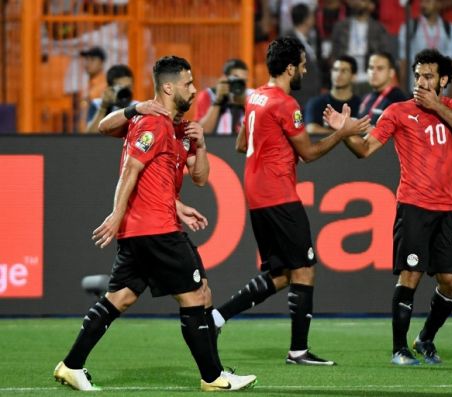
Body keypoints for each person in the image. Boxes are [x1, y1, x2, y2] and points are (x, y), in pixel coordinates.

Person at [53, 56, 256, 392]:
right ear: (168, 86)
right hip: (156, 230)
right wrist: (116, 215)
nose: (193, 89)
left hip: (145, 229)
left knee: (120, 298)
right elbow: (129, 169)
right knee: (197, 295)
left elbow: (200, 178)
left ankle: (71, 365)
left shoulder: (177, 128)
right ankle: (213, 376)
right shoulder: (153, 123)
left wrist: (200, 147)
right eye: (188, 83)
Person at [211, 36, 370, 366]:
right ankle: (298, 351)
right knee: (306, 269)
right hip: (278, 195)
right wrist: (343, 131)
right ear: (289, 68)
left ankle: (215, 319)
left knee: (284, 274)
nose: (305, 69)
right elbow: (309, 153)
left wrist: (280, 152)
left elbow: (243, 145)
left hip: (257, 195)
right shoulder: (285, 104)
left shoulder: (255, 96)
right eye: (301, 64)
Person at [324, 48, 452, 365]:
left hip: (449, 210)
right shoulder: (397, 111)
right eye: (418, 75)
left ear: (443, 80)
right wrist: (344, 132)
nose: (421, 82)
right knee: (411, 274)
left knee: (450, 282)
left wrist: (437, 106)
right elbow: (365, 150)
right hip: (414, 206)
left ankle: (425, 339)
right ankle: (399, 349)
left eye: (428, 76)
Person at [330, 0, 394, 95]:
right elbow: (334, 55)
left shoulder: (379, 29)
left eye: (363, 1)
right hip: (345, 78)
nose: (358, 2)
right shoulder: (340, 27)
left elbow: (385, 56)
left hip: (368, 80)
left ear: (371, 6)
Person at [398, 0, 452, 93]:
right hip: (415, 90)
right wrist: (402, 93)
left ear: (439, 4)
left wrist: (451, 94)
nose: (423, 4)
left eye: (428, 1)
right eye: (422, 1)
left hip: (440, 92)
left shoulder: (450, 29)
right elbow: (403, 62)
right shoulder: (410, 27)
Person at [305, 55, 362, 134]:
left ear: (353, 76)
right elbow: (311, 129)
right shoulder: (316, 103)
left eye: (344, 71)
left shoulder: (361, 105)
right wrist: (344, 133)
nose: (338, 74)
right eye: (335, 70)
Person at [194, 59, 252, 135]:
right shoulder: (208, 95)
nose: (239, 85)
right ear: (225, 78)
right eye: (236, 79)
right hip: (215, 144)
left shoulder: (250, 96)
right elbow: (202, 132)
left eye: (243, 81)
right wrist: (217, 101)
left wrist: (245, 105)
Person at [283, 3, 322, 109]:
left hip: (311, 98)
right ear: (306, 19)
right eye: (311, 15)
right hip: (298, 99)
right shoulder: (288, 40)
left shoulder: (308, 39)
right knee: (297, 125)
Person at [358, 52, 408, 129]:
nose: (373, 72)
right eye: (371, 68)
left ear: (391, 73)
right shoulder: (366, 97)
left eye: (380, 68)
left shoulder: (398, 100)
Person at [85, 64, 137, 133]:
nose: (125, 92)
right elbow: (89, 137)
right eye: (121, 88)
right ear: (110, 88)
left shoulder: (138, 107)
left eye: (128, 87)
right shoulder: (97, 104)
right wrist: (103, 107)